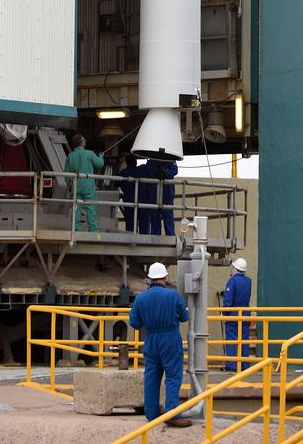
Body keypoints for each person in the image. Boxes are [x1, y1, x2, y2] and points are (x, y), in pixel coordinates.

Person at [129, 262, 190, 427]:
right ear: (164, 277)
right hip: (170, 338)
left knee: (152, 377)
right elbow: (185, 317)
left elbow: (134, 323)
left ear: (149, 279)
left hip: (151, 338)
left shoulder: (141, 298)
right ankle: (172, 413)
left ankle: (152, 414)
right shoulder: (174, 295)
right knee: (173, 376)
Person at [64, 133, 104, 232]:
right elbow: (100, 164)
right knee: (90, 207)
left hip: (76, 185)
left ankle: (76, 229)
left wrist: (70, 186)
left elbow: (67, 174)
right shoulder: (89, 153)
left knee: (77, 207)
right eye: (84, 140)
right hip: (88, 186)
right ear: (81, 143)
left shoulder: (70, 156)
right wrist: (101, 156)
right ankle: (93, 230)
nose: (85, 142)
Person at [222, 258, 252, 371]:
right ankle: (245, 364)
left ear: (235, 268)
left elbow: (228, 299)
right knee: (244, 340)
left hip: (233, 315)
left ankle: (232, 365)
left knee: (232, 340)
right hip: (245, 314)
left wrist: (225, 313)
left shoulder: (232, 281)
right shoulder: (248, 281)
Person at [145, 158, 178, 235]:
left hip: (166, 191)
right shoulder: (152, 162)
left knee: (167, 214)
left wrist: (163, 172)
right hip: (155, 191)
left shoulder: (170, 160)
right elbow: (148, 172)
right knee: (155, 214)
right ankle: (156, 237)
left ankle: (169, 236)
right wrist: (161, 172)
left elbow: (174, 171)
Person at [117, 154, 141, 232]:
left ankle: (130, 239)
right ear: (135, 162)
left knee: (129, 220)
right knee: (142, 220)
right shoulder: (140, 171)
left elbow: (117, 183)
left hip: (127, 198)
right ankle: (142, 239)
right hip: (140, 198)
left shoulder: (123, 173)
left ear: (126, 162)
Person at [137, 161, 155, 235]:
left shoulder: (139, 169)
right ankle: (145, 235)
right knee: (145, 220)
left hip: (137, 197)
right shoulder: (148, 170)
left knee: (131, 220)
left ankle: (132, 235)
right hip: (146, 198)